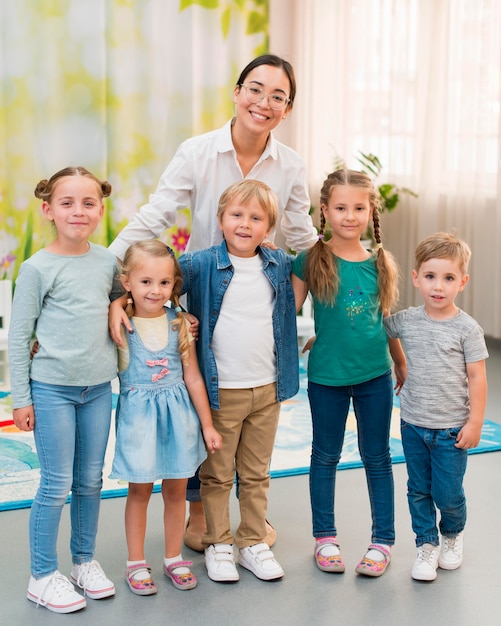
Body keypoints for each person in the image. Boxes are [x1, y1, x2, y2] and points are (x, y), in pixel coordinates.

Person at [109, 53, 317, 551]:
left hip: (256, 296)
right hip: (200, 293)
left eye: (277, 96)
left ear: (287, 109)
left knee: (254, 401)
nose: (263, 102)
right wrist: (110, 281)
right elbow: (156, 215)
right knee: (202, 401)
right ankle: (201, 510)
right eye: (255, 89)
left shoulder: (290, 164)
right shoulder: (198, 151)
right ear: (236, 91)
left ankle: (248, 515)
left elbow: (304, 238)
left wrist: (288, 306)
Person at [8, 167, 121, 613]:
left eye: (88, 203)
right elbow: (19, 337)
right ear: (48, 210)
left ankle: (83, 561)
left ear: (100, 209)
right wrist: (21, 398)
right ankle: (41, 575)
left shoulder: (109, 261)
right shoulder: (37, 268)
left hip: (97, 390)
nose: (79, 211)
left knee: (90, 481)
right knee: (56, 483)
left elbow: (120, 302)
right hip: (52, 390)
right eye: (67, 203)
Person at [176, 179, 299, 582]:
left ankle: (252, 542)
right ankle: (219, 542)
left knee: (257, 471)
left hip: (267, 387)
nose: (245, 224)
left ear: (269, 228)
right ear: (221, 219)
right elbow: (156, 277)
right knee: (216, 473)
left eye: (256, 218)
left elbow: (313, 267)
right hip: (220, 390)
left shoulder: (279, 264)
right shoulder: (200, 264)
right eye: (237, 215)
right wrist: (175, 314)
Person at [291, 169, 407, 578]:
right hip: (327, 378)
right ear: (325, 210)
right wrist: (299, 345)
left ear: (370, 210)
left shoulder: (380, 262)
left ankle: (382, 541)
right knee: (325, 456)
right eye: (340, 208)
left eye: (359, 207)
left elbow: (384, 316)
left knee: (378, 457)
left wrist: (400, 359)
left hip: (375, 375)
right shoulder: (311, 259)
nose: (350, 216)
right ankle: (325, 537)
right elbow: (287, 313)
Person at [109, 240, 222, 595]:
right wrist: (114, 305)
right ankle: (136, 563)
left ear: (174, 285)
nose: (155, 291)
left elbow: (192, 377)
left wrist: (206, 424)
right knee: (139, 490)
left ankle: (173, 557)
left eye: (164, 283)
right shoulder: (119, 323)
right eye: (145, 282)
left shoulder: (180, 324)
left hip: (180, 419)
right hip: (139, 420)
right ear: (127, 282)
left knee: (176, 490)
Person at [383, 232, 488, 582]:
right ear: (416, 278)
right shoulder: (408, 320)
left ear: (462, 281)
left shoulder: (467, 329)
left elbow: (477, 377)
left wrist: (475, 422)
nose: (438, 287)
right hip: (413, 424)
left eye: (448, 278)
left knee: (448, 493)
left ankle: (452, 535)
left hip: (451, 429)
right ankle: (426, 545)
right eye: (430, 277)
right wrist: (328, 333)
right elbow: (374, 330)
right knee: (418, 489)